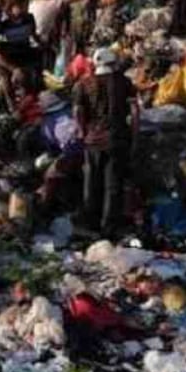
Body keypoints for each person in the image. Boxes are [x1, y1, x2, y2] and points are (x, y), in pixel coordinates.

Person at [73, 47, 138, 235]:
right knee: (113, 184)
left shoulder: (83, 84)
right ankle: (109, 227)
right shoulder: (124, 83)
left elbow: (78, 112)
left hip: (92, 140)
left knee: (91, 182)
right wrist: (135, 138)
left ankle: (90, 224)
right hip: (117, 138)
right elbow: (134, 113)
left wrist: (82, 131)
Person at [30, 0, 67, 71]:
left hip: (31, 43)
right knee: (47, 70)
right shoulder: (53, 3)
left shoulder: (33, 3)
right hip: (43, 45)